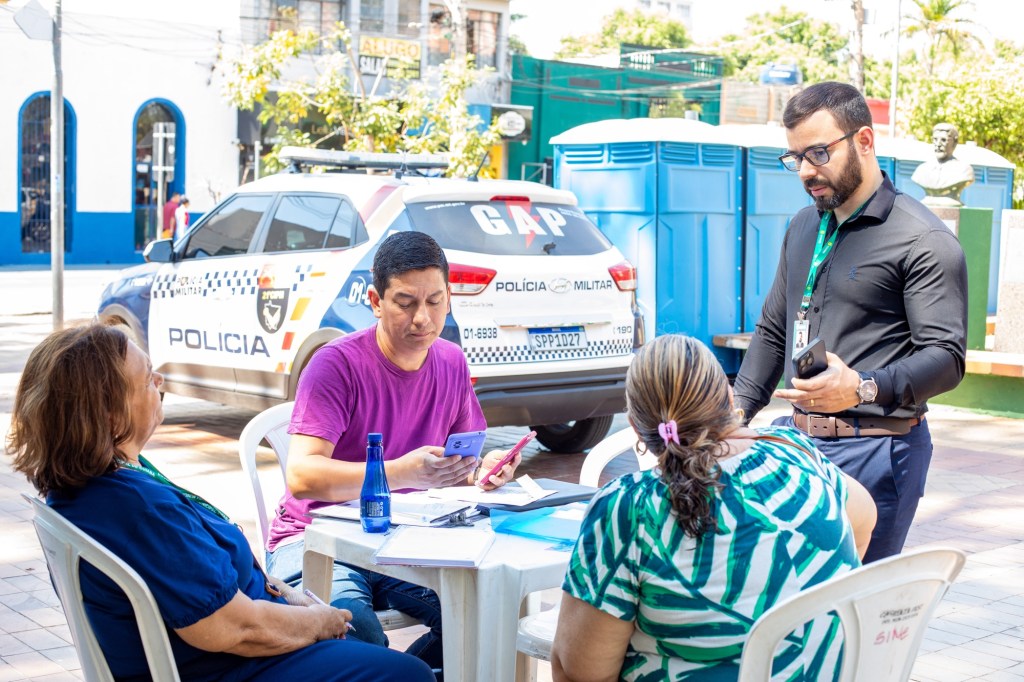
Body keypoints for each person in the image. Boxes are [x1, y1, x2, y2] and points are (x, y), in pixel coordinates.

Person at [7, 323, 433, 682]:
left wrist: (292, 597)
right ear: (110, 414)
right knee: (405, 673)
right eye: (147, 378)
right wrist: (315, 623)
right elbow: (234, 627)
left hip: (230, 651)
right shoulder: (135, 508)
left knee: (371, 642)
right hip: (229, 666)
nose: (160, 384)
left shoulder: (97, 486)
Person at [733, 81, 968, 563]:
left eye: (818, 153)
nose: (805, 171)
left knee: (853, 615)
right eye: (794, 157)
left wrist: (861, 387)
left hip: (877, 452)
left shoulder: (922, 239)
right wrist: (733, 414)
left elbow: (946, 359)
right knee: (788, 603)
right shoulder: (803, 225)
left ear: (864, 140)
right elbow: (775, 329)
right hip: (798, 445)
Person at [265, 231, 522, 672]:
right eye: (405, 302)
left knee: (486, 610)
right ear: (375, 300)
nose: (423, 317)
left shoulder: (451, 361)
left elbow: (463, 463)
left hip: (407, 537)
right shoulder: (336, 364)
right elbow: (302, 476)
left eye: (436, 301)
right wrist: (397, 473)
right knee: (354, 631)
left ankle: (410, 675)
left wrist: (486, 471)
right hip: (316, 540)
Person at [550, 334, 876, 680]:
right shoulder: (796, 452)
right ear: (728, 399)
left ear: (636, 429)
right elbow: (864, 519)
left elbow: (578, 672)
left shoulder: (630, 509)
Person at [911, 122, 976, 207]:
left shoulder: (964, 170)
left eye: (944, 140)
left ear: (955, 142)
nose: (938, 144)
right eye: (935, 139)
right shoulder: (921, 170)